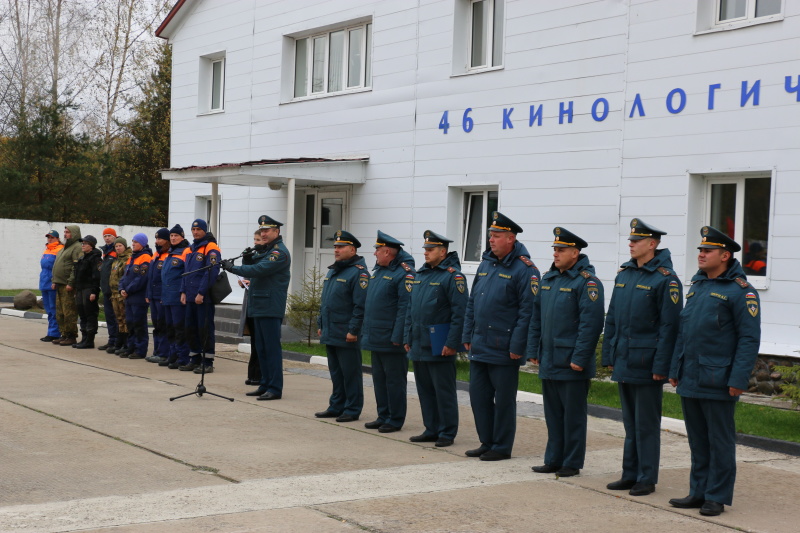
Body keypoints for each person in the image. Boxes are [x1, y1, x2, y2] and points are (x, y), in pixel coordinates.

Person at [668, 226, 761, 517]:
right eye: (699, 250)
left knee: (719, 441)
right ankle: (698, 491)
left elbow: (749, 339)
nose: (701, 254)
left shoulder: (741, 291)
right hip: (691, 375)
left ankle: (716, 496)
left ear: (724, 255)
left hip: (719, 379)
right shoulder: (698, 287)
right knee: (697, 439)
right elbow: (684, 331)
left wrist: (738, 378)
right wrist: (675, 367)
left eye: (707, 250)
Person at [601, 219, 683, 496]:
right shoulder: (624, 274)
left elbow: (669, 327)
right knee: (630, 423)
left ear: (653, 244)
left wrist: (662, 366)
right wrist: (609, 353)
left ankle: (646, 478)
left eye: (637, 240)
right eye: (630, 240)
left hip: (648, 364)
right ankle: (630, 473)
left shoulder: (665, 279)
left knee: (646, 424)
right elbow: (612, 317)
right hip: (625, 358)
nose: (631, 244)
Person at [528, 227, 605, 477]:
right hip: (549, 358)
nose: (556, 253)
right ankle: (553, 458)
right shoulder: (549, 279)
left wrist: (581, 358)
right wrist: (533, 349)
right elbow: (536, 318)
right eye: (554, 249)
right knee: (553, 415)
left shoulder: (587, 282)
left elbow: (590, 324)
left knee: (572, 417)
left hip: (571, 361)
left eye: (561, 250)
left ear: (575, 252)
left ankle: (571, 462)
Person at [463, 212, 539, 461]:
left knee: (504, 401)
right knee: (479, 397)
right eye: (490, 236)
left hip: (505, 347)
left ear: (511, 238)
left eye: (496, 236)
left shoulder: (525, 269)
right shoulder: (486, 263)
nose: (491, 240)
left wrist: (519, 346)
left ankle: (502, 446)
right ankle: (487, 441)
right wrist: (468, 333)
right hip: (480, 344)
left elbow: (528, 311)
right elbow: (473, 302)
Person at [404, 230, 468, 448]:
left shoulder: (453, 276)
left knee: (443, 391)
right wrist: (408, 336)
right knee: (425, 390)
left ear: (443, 251)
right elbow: (410, 309)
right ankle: (431, 428)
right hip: (419, 342)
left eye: (431, 250)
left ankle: (447, 432)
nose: (426, 253)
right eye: (425, 249)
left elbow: (460, 313)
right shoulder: (420, 275)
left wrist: (452, 343)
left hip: (439, 344)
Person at [223, 215, 291, 400]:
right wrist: (246, 259)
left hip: (269, 307)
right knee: (260, 349)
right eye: (261, 231)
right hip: (259, 305)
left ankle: (275, 388)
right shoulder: (266, 250)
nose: (263, 233)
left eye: (267, 230)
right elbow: (253, 267)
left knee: (271, 349)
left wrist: (233, 268)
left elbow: (259, 270)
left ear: (276, 231)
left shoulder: (279, 252)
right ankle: (265, 384)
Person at [361, 231, 415, 433]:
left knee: (394, 382)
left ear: (387, 252)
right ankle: (383, 415)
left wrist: (398, 336)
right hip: (376, 336)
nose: (374, 254)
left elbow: (405, 307)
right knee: (379, 380)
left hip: (392, 339)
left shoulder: (405, 274)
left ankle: (395, 418)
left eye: (377, 250)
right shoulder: (381, 272)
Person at [315, 230, 368, 422]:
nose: (336, 250)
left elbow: (360, 306)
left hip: (346, 332)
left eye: (341, 247)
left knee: (350, 374)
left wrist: (354, 330)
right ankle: (336, 405)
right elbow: (326, 302)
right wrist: (321, 323)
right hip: (331, 329)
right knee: (336, 373)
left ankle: (352, 409)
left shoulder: (359, 274)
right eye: (335, 247)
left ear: (352, 250)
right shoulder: (334, 270)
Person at [181, 219, 221, 373]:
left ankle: (207, 361)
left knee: (204, 329)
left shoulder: (211, 248)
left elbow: (210, 272)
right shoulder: (191, 249)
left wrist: (201, 293)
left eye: (198, 230)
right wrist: (183, 291)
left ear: (204, 230)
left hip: (202, 297)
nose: (195, 232)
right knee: (190, 328)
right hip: (190, 295)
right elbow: (186, 273)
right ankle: (195, 358)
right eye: (193, 229)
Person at [118, 233, 153, 360]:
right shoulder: (132, 258)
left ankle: (140, 349)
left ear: (142, 244)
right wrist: (121, 288)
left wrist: (128, 289)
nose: (133, 244)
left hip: (138, 297)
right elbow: (125, 276)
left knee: (139, 324)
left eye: (136, 242)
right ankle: (130, 347)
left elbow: (141, 278)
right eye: (132, 241)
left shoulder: (145, 258)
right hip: (129, 297)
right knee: (131, 323)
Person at [161, 225, 191, 369]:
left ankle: (182, 356)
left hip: (178, 297)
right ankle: (172, 355)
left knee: (180, 328)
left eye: (176, 236)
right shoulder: (171, 252)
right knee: (170, 328)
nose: (173, 238)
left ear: (182, 237)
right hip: (167, 296)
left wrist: (183, 292)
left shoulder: (186, 251)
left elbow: (186, 274)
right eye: (171, 236)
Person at [238, 228, 266, 386]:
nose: (256, 243)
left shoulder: (268, 258)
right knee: (254, 342)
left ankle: (259, 376)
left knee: (260, 344)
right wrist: (243, 281)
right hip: (250, 304)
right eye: (255, 240)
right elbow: (247, 275)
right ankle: (253, 375)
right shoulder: (253, 257)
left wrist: (252, 282)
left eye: (259, 240)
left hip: (260, 306)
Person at [50, 224, 83, 346]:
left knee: (69, 312)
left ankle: (71, 335)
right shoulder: (64, 248)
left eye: (68, 232)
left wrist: (71, 282)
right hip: (59, 284)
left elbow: (76, 267)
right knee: (60, 312)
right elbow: (57, 265)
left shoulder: (77, 247)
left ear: (74, 233)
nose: (65, 234)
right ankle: (63, 334)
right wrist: (54, 280)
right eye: (64, 232)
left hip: (67, 285)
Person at [72, 235, 103, 349]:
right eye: (82, 243)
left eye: (85, 243)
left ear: (91, 246)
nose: (83, 245)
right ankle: (84, 338)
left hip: (89, 289)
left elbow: (96, 276)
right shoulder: (83, 258)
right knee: (82, 313)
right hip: (81, 289)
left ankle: (90, 340)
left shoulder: (95, 258)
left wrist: (94, 291)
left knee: (90, 314)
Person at [145, 229, 171, 364]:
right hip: (153, 295)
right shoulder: (156, 255)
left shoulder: (168, 255)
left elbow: (166, 278)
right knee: (156, 325)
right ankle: (157, 350)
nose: (157, 241)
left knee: (163, 324)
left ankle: (163, 352)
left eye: (160, 239)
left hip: (162, 295)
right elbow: (150, 277)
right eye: (156, 239)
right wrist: (148, 294)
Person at [39, 230, 64, 342]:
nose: (49, 239)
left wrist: (55, 280)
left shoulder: (60, 249)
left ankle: (54, 333)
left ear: (57, 239)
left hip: (52, 282)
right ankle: (51, 331)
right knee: (49, 309)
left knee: (54, 309)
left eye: (52, 237)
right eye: (48, 237)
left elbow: (58, 268)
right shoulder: (47, 249)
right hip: (44, 282)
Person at [97, 228, 119, 351]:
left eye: (109, 235)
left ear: (114, 237)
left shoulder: (116, 251)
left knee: (116, 317)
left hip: (114, 290)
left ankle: (117, 341)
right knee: (109, 316)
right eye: (105, 236)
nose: (107, 238)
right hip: (106, 289)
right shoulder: (106, 252)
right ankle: (111, 340)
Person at [109, 237, 132, 355]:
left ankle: (126, 344)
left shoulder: (127, 259)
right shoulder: (116, 260)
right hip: (114, 295)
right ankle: (120, 342)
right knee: (119, 319)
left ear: (125, 246)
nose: (118, 248)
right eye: (116, 246)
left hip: (122, 294)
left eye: (120, 246)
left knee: (125, 319)